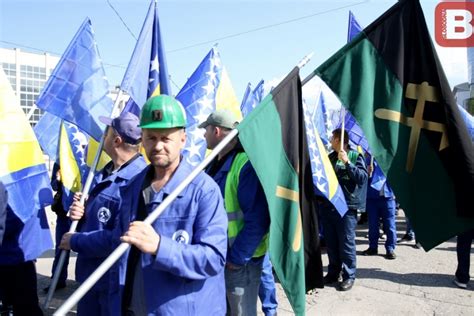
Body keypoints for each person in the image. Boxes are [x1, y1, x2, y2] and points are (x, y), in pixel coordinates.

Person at [111, 95, 228, 315]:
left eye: (166, 138)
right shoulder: (132, 187)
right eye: (151, 137)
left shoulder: (204, 190)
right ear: (142, 139)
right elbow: (118, 242)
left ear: (183, 139)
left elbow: (213, 259)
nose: (158, 146)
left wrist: (159, 247)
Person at [59, 112, 147, 315]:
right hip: (91, 277)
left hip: (112, 282)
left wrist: (75, 241)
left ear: (116, 140)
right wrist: (81, 214)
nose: (102, 137)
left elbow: (120, 237)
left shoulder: (137, 181)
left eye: (106, 132)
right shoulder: (103, 174)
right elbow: (98, 220)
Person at [200, 109, 271, 316]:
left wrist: (236, 258)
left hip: (240, 261)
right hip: (221, 257)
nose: (204, 134)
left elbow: (257, 220)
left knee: (241, 313)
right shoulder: (213, 163)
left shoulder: (244, 164)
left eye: (206, 129)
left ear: (217, 131)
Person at [317, 128, 368, 291]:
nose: (331, 140)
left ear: (339, 140)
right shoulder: (330, 157)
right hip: (329, 206)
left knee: (346, 244)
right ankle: (333, 273)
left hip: (347, 208)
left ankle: (349, 276)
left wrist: (347, 163)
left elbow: (362, 178)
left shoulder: (355, 156)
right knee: (331, 243)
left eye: (333, 138)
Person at [0, 184, 53, 315]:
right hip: (14, 255)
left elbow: (15, 218)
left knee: (26, 305)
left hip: (17, 256)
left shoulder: (14, 181)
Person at [362, 159, 397, 260]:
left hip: (388, 197)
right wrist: (367, 171)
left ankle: (390, 248)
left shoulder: (389, 159)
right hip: (372, 198)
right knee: (373, 225)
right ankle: (373, 247)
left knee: (390, 225)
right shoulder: (368, 159)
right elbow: (361, 176)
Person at [44, 162, 70, 293]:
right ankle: (57, 280)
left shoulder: (89, 158)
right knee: (61, 246)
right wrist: (59, 179)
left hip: (84, 209)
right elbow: (54, 185)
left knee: (86, 248)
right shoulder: (61, 160)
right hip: (64, 211)